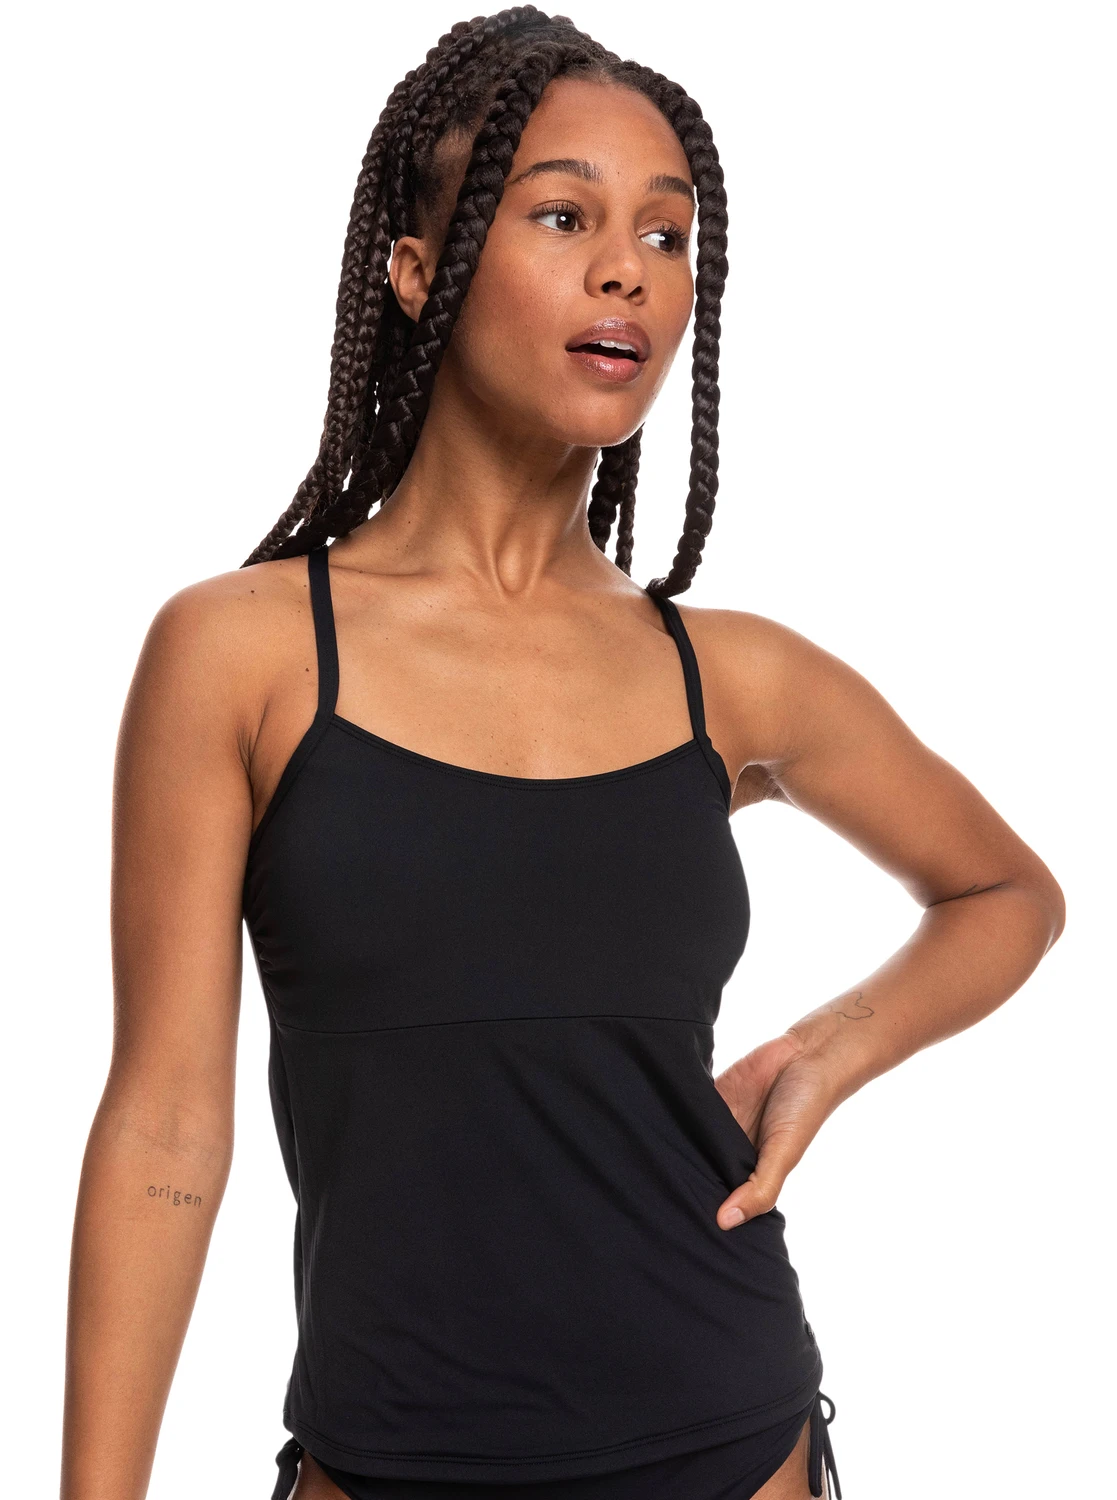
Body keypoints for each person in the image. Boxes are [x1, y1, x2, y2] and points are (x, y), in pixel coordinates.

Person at [61, 9, 1066, 1500]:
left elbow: (1007, 894)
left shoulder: (728, 673)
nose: (629, 271)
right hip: (388, 1453)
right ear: (417, 269)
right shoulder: (242, 653)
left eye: (667, 234)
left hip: (731, 1438)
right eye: (562, 215)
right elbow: (164, 1127)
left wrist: (824, 1054)